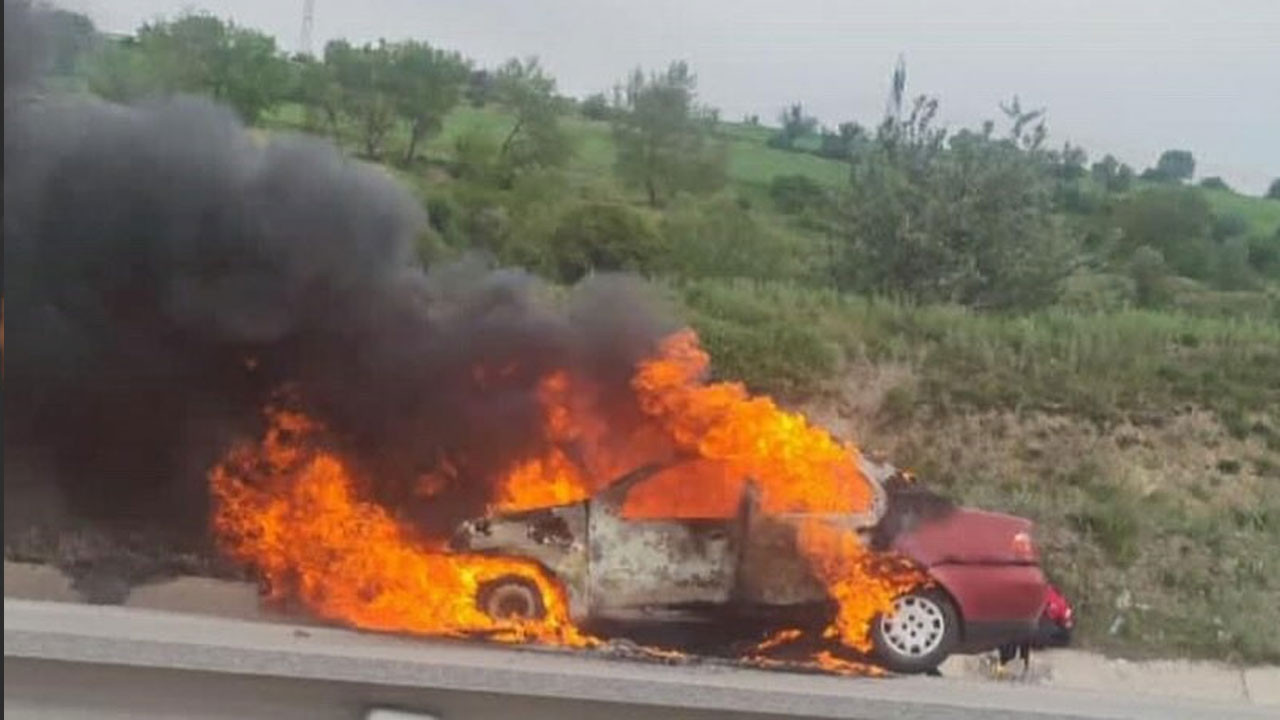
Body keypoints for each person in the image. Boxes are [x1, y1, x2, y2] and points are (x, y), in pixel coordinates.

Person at [996, 583, 1074, 673]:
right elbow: (1067, 625)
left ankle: (1006, 665)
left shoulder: (1043, 597)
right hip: (1047, 630)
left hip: (1040, 629)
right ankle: (1017, 666)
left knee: (1018, 635)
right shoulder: (1058, 599)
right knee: (1020, 635)